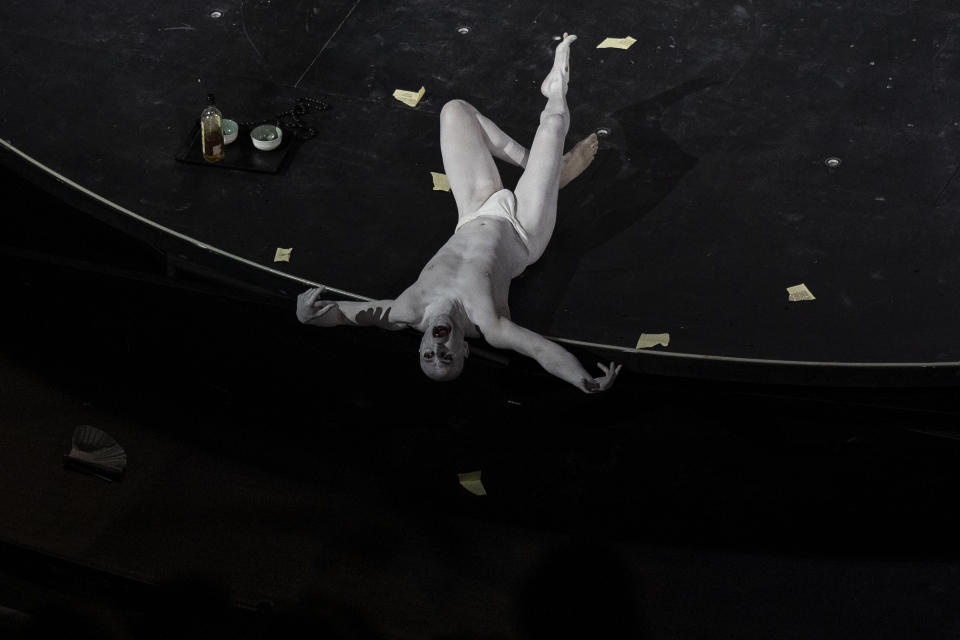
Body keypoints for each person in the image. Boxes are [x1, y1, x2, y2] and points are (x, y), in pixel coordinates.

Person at [297, 34, 621, 393]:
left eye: (428, 356)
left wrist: (307, 315)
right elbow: (540, 350)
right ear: (464, 349)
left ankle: (541, 172)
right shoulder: (488, 325)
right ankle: (553, 97)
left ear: (419, 347)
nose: (437, 349)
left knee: (455, 111)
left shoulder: (406, 309)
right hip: (524, 229)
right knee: (555, 123)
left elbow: (344, 314)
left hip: (473, 211)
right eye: (447, 357)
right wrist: (584, 380)